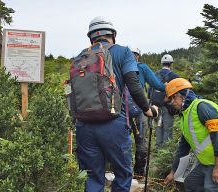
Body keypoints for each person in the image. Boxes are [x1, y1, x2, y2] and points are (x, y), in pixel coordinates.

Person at [75, 16, 158, 192]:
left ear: (91, 37)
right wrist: (147, 109)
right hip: (112, 122)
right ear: (113, 34)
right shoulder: (123, 52)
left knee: (93, 176)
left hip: (84, 124)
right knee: (122, 174)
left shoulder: (80, 56)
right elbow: (134, 85)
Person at [163, 78, 218, 192]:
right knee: (191, 184)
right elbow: (183, 147)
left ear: (183, 95)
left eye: (173, 97)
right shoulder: (185, 115)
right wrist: (173, 172)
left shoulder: (202, 107)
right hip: (209, 162)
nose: (171, 102)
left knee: (212, 189)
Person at [128, 47, 165, 178]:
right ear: (138, 56)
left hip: (121, 111)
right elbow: (158, 85)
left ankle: (122, 171)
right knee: (141, 141)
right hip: (139, 109)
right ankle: (138, 173)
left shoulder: (118, 67)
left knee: (122, 140)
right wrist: (173, 88)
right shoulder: (142, 68)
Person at [151, 54, 179, 149]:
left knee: (159, 126)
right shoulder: (175, 76)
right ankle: (166, 150)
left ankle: (158, 147)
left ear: (162, 63)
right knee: (168, 128)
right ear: (171, 64)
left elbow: (149, 90)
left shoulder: (155, 74)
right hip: (168, 105)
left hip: (156, 105)